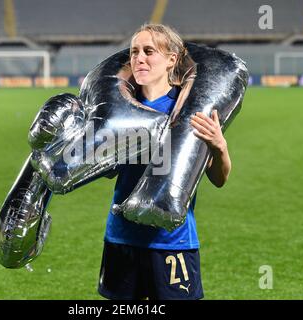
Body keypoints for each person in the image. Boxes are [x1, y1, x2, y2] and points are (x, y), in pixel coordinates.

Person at [97, 23, 232, 300]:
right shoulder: (118, 109)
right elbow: (106, 170)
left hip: (172, 240)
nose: (139, 58)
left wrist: (219, 147)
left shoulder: (192, 110)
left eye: (149, 51)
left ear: (172, 59)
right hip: (122, 237)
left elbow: (219, 178)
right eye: (134, 52)